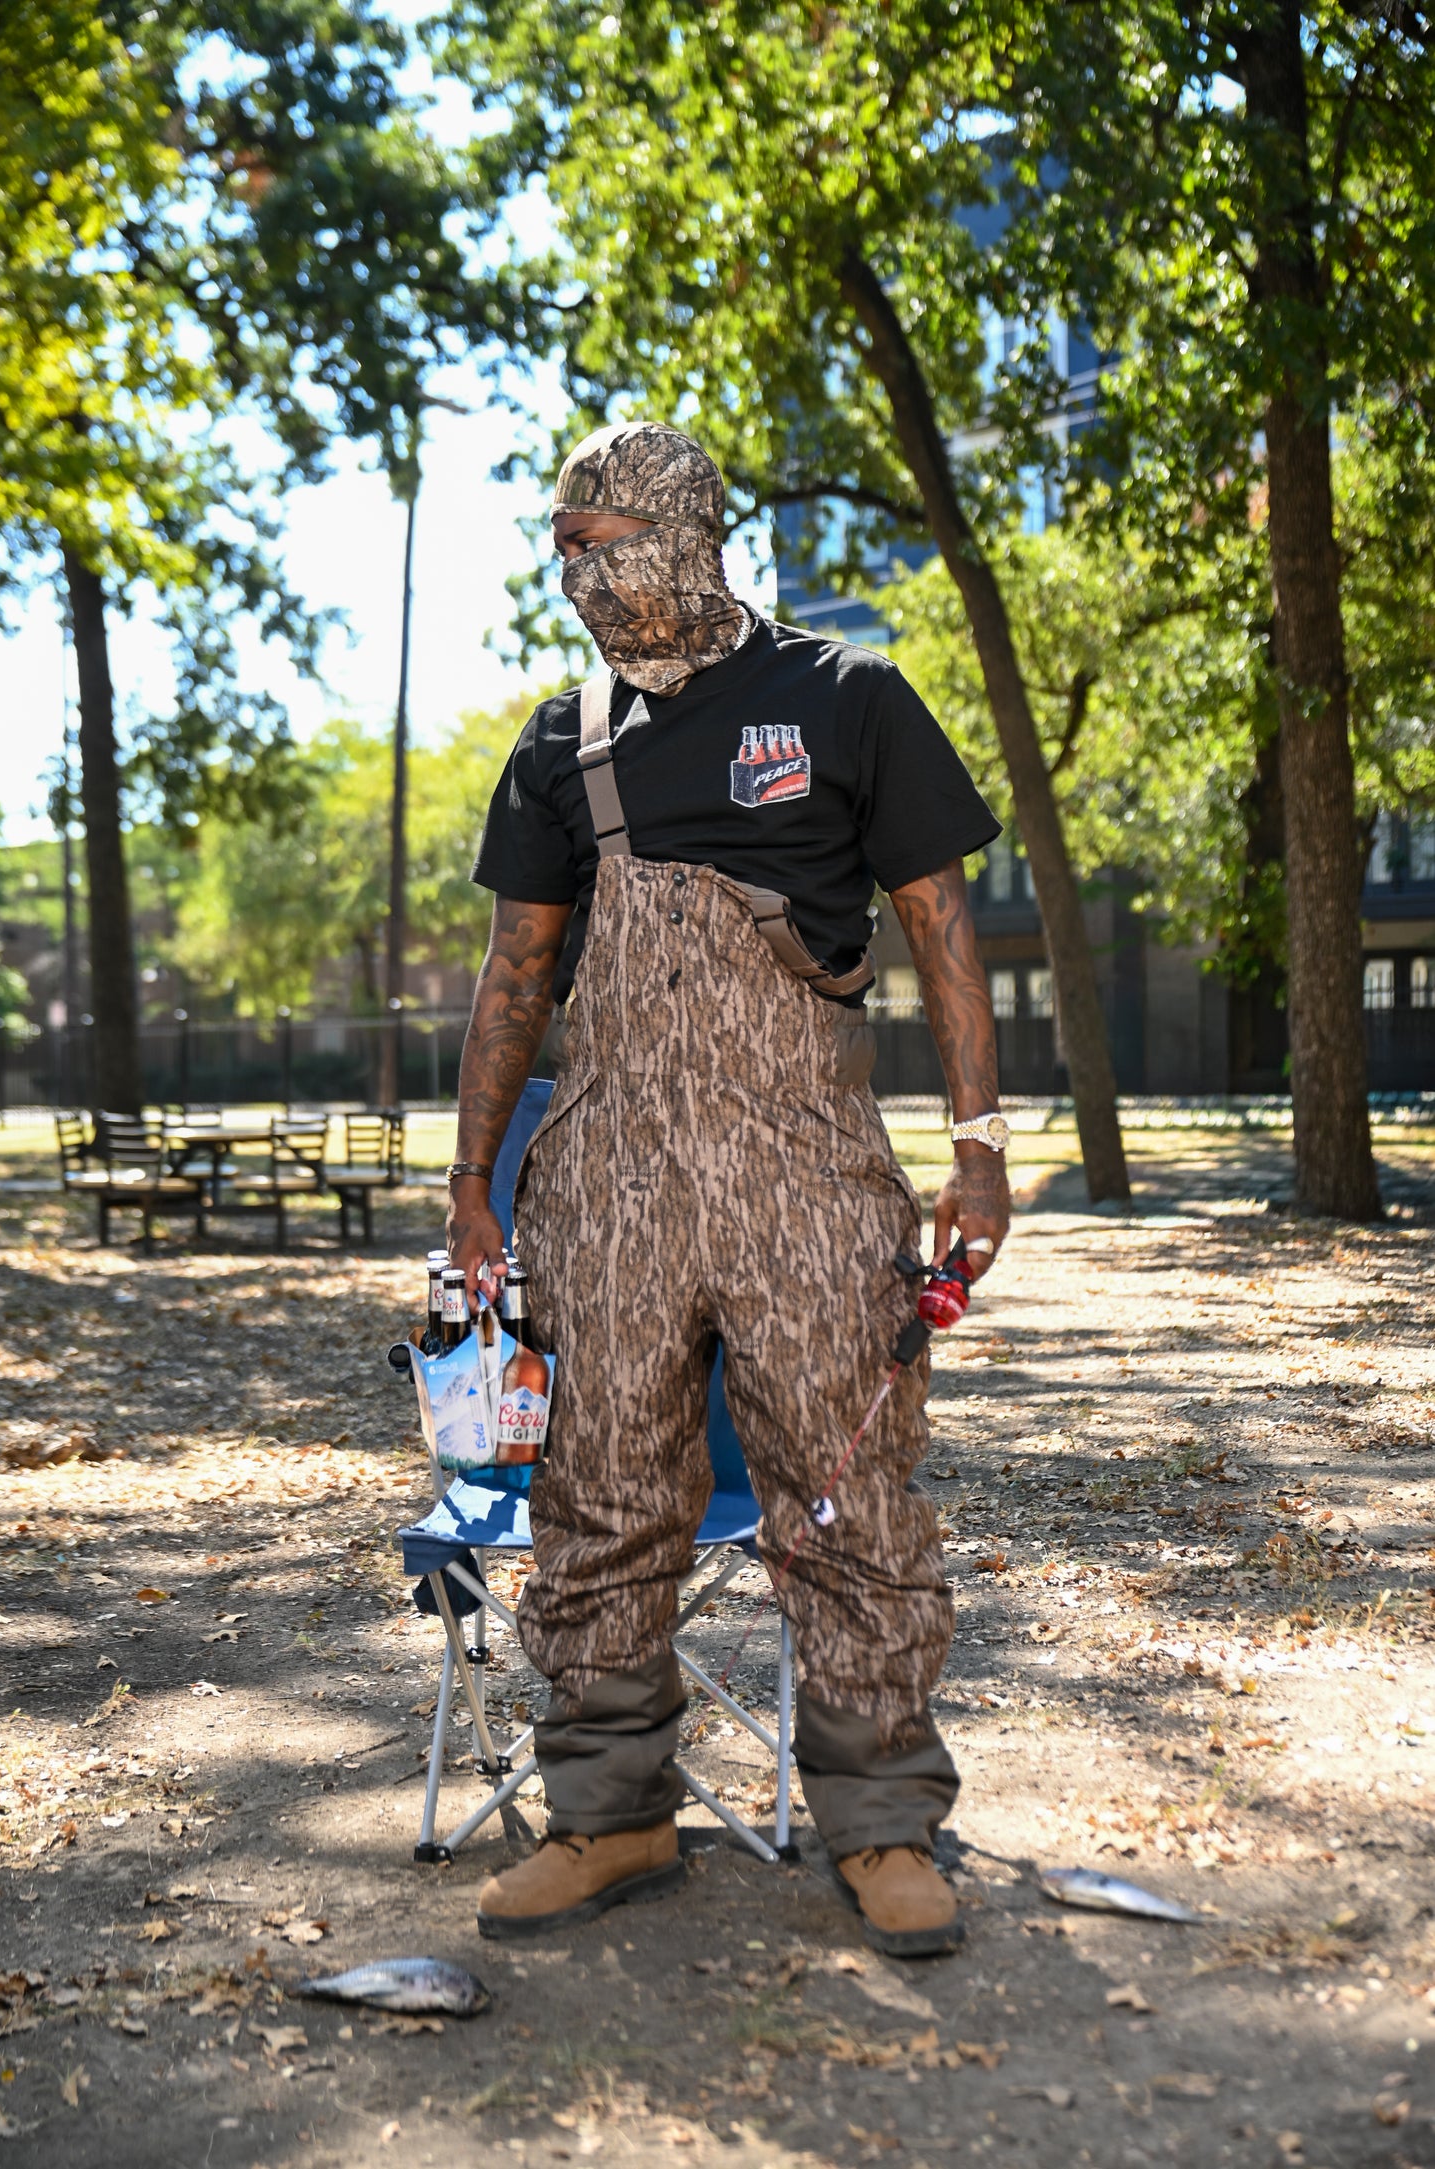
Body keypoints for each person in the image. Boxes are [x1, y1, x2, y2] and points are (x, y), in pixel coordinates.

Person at [446, 420, 1009, 1958]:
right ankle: (615, 1814)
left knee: (846, 1496)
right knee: (601, 1498)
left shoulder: (848, 699)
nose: (576, 570)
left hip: (807, 1178)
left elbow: (940, 918)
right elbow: (517, 974)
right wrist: (471, 1187)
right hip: (607, 1184)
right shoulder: (560, 741)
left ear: (685, 529)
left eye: (597, 537)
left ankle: (884, 1822)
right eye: (561, 547)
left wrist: (981, 1143)